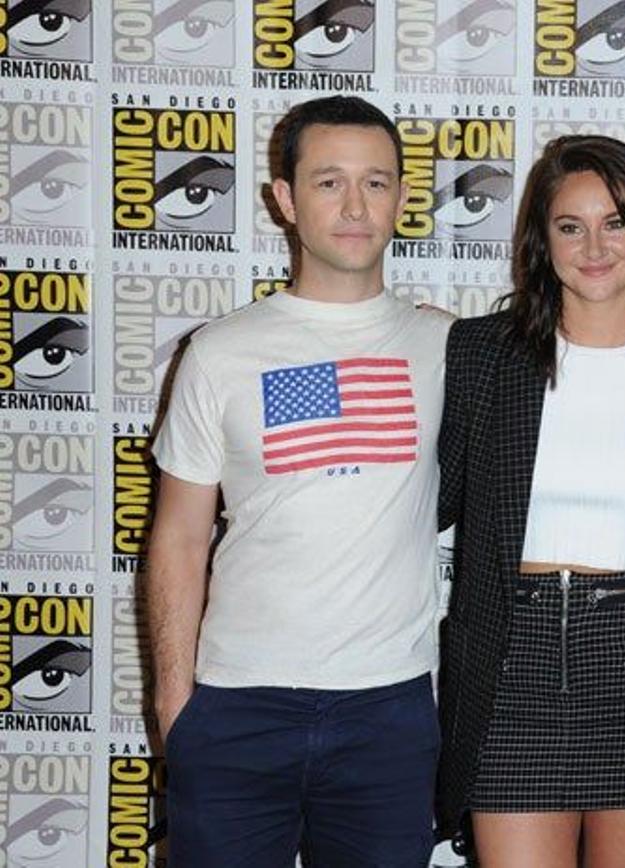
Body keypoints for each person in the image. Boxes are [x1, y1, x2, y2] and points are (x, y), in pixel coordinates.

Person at [146, 95, 449, 867]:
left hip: (389, 710)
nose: (355, 205)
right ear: (283, 199)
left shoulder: (450, 348)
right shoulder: (219, 353)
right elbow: (178, 536)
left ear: (402, 199)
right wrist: (174, 704)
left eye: (376, 183)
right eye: (328, 182)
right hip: (237, 706)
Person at [435, 135, 625, 868]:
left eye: (617, 222)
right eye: (571, 226)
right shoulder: (484, 354)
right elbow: (429, 499)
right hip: (511, 660)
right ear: (543, 242)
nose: (595, 246)